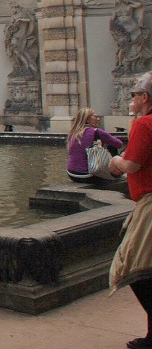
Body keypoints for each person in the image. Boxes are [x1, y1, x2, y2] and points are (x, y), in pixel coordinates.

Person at [109, 72, 152, 349]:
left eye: (135, 95)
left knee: (131, 268)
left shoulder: (144, 125)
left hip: (149, 204)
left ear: (145, 98)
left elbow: (132, 165)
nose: (132, 99)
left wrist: (114, 161)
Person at [66, 108, 123, 183]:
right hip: (89, 175)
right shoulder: (96, 132)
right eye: (96, 117)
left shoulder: (73, 133)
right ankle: (116, 171)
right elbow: (119, 144)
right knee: (116, 150)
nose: (98, 119)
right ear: (88, 119)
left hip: (72, 174)